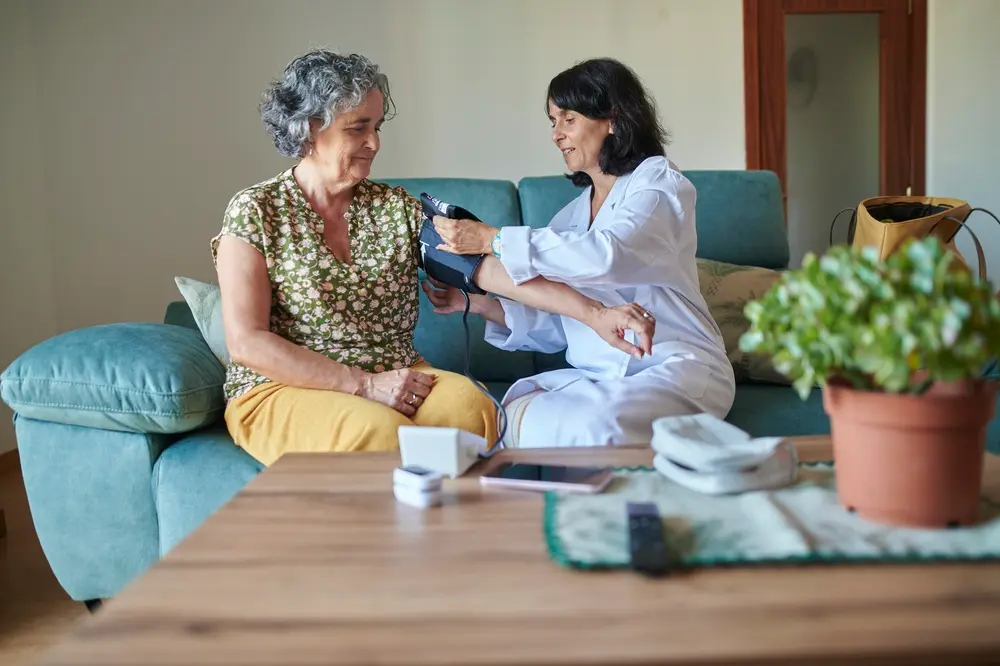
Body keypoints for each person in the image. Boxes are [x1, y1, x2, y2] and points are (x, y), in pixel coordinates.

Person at [212, 49, 656, 465]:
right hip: (284, 387)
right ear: (310, 127)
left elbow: (495, 272)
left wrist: (595, 313)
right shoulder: (256, 211)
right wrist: (364, 385)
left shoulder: (395, 209)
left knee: (474, 412)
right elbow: (247, 342)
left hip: (398, 374)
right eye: (358, 128)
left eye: (378, 127)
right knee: (379, 433)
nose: (375, 143)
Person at [424, 57, 736, 448]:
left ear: (614, 119)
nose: (556, 134)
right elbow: (561, 321)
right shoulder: (569, 218)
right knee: (509, 418)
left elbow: (609, 256)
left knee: (597, 426)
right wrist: (479, 303)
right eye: (553, 122)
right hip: (599, 377)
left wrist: (494, 240)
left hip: (672, 366)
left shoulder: (658, 186)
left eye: (568, 119)